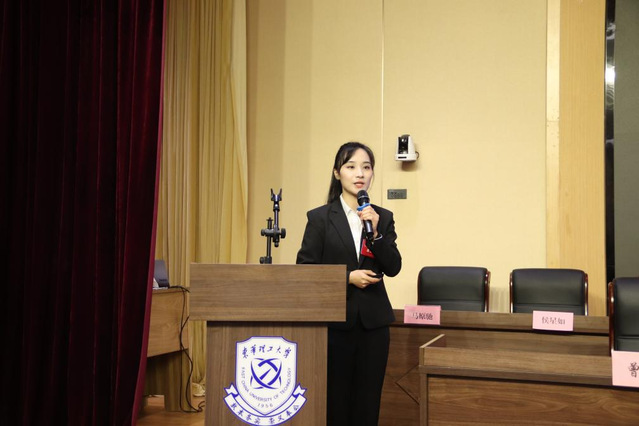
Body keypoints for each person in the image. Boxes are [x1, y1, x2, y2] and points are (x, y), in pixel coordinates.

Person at [296, 142, 402, 426]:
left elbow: (393, 267)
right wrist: (347, 278)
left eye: (366, 167)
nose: (360, 174)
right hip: (334, 325)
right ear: (337, 173)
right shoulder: (320, 218)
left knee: (368, 403)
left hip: (374, 326)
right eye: (351, 166)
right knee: (335, 402)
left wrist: (376, 234)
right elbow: (305, 270)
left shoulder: (382, 217)